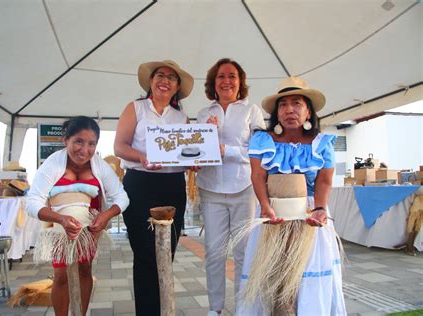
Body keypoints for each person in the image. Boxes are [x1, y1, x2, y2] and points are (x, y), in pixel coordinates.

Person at [237, 76, 346, 315]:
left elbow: (325, 180)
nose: (289, 109)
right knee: (275, 272)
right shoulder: (263, 140)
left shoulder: (321, 143)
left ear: (308, 112)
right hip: (272, 212)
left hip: (310, 214)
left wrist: (319, 208)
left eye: (297, 103)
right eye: (283, 104)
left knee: (306, 271)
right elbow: (257, 176)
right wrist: (265, 207)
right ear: (277, 112)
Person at [26, 116, 129, 316]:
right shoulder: (53, 164)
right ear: (66, 140)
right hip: (59, 226)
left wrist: (106, 215)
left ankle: (81, 314)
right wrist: (61, 219)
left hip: (88, 227)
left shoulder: (99, 165)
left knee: (84, 269)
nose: (84, 150)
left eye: (91, 144)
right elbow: (32, 203)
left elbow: (122, 197)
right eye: (78, 142)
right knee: (61, 275)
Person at [114, 60, 194, 316]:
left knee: (166, 251)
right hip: (139, 183)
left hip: (172, 185)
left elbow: (188, 154)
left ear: (177, 87)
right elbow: (120, 147)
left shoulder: (182, 118)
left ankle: (163, 308)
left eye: (172, 78)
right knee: (145, 251)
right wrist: (141, 158)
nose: (165, 80)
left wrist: (195, 163)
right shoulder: (135, 108)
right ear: (151, 81)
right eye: (160, 75)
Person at [196, 58, 266, 316]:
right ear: (213, 83)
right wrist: (204, 140)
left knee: (243, 252)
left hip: (244, 188)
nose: (226, 81)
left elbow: (260, 150)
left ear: (240, 82)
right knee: (214, 252)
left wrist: (229, 150)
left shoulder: (252, 111)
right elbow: (196, 149)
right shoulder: (204, 113)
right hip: (210, 188)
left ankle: (243, 308)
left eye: (232, 76)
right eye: (221, 76)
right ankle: (215, 309)